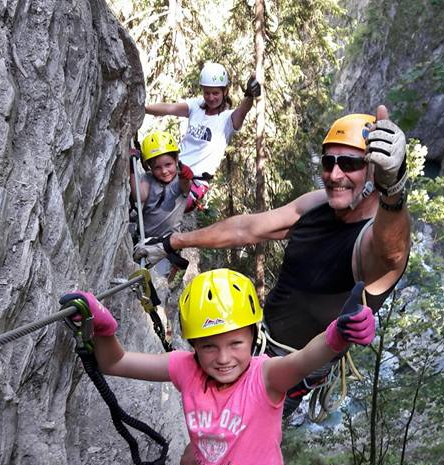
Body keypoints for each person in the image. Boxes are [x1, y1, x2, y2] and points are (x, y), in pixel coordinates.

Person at [133, 105, 412, 418]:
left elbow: (391, 254)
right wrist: (171, 242)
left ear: (374, 171)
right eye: (328, 162)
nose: (335, 175)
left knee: (235, 440)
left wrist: (393, 189)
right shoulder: (318, 205)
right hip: (257, 346)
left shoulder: (371, 240)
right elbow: (246, 228)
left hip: (288, 374)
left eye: (349, 164)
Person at [69, 269, 375, 465]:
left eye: (235, 343)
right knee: (191, 464)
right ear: (194, 346)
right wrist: (103, 328)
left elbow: (303, 360)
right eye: (209, 346)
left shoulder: (265, 377)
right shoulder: (185, 368)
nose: (224, 358)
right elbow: (115, 363)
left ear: (253, 337)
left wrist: (337, 337)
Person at [145, 62, 262, 210]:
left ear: (225, 91)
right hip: (174, 171)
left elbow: (243, 110)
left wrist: (250, 95)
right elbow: (169, 108)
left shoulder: (227, 119)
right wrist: (144, 109)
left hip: (195, 181)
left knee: (169, 204)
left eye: (215, 93)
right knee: (143, 191)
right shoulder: (196, 106)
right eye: (207, 93)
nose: (211, 97)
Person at [132, 130, 193, 240]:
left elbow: (186, 187)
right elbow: (139, 196)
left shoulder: (180, 181)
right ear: (150, 167)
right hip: (144, 236)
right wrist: (132, 170)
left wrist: (185, 177)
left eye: (168, 164)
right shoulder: (149, 178)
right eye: (157, 167)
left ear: (176, 160)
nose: (164, 171)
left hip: (169, 240)